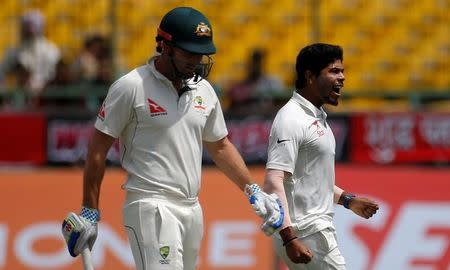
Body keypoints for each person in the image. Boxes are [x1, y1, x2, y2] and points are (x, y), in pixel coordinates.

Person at [61, 7, 283, 270]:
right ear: (165, 46)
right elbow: (98, 148)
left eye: (201, 54)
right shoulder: (131, 86)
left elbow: (220, 146)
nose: (196, 61)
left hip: (191, 208)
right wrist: (89, 210)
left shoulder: (205, 90)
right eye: (189, 52)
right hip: (150, 205)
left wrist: (253, 190)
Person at [263, 43, 379, 269]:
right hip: (307, 232)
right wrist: (290, 238)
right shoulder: (291, 119)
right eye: (334, 71)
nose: (342, 77)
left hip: (309, 231)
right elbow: (273, 181)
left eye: (342, 71)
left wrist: (348, 200)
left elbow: (308, 178)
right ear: (310, 76)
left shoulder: (316, 118)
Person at [0, 10, 61, 94]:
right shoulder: (13, 51)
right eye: (26, 26)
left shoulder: (51, 50)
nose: (29, 30)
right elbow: (2, 72)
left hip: (46, 97)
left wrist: (37, 82)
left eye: (33, 26)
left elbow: (52, 76)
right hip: (19, 97)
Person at [228, 48, 284, 116]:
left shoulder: (273, 82)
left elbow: (280, 103)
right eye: (254, 61)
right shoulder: (242, 85)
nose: (256, 64)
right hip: (248, 121)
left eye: (258, 61)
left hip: (266, 120)